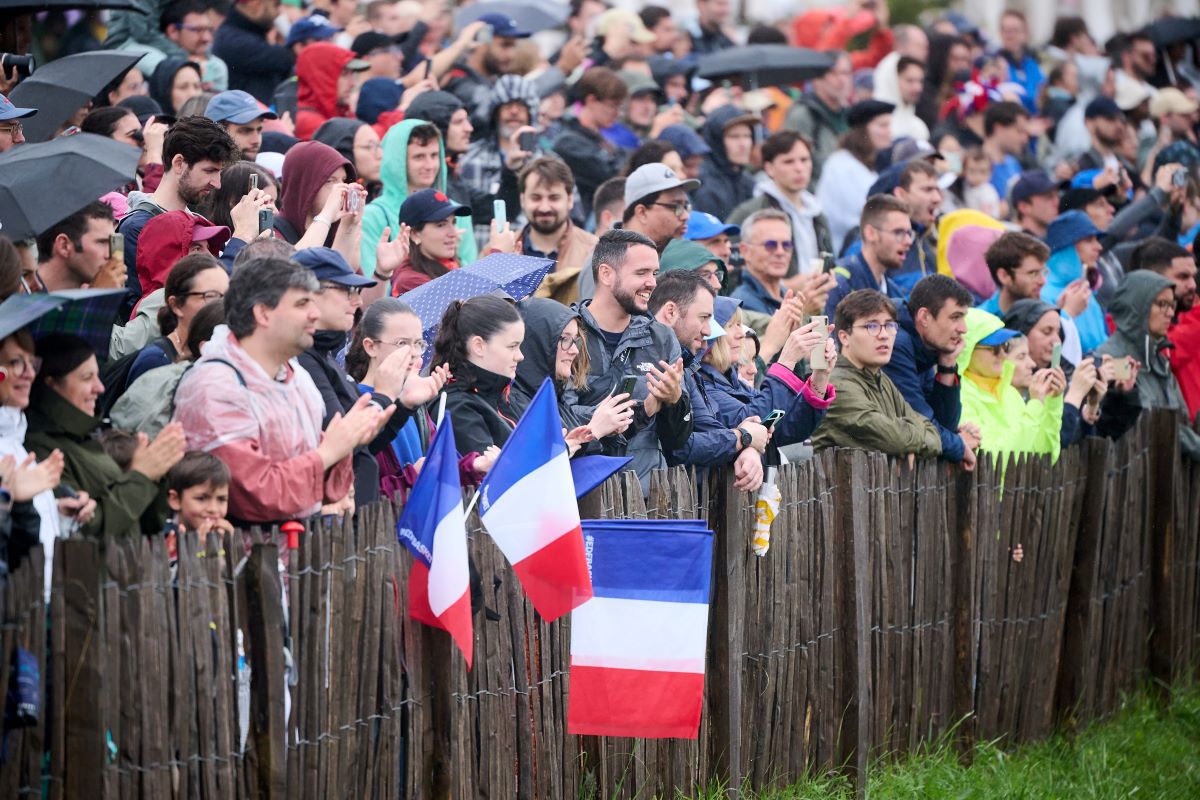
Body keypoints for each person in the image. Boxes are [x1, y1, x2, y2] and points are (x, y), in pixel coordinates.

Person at [172, 256, 388, 524]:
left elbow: (331, 492)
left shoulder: (296, 377)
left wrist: (347, 442)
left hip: (302, 554)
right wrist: (330, 451)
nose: (315, 313)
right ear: (263, 312)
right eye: (301, 303)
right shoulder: (215, 386)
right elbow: (255, 495)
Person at [294, 247, 439, 504]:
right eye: (347, 291)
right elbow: (346, 443)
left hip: (365, 523)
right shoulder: (302, 360)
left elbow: (365, 446)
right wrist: (384, 397)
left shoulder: (323, 357)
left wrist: (403, 405)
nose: (357, 301)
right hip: (340, 524)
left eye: (419, 344)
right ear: (307, 295)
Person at [25, 334, 184, 538]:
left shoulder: (88, 437)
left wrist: (156, 473)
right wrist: (141, 476)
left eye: (97, 376)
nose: (99, 388)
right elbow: (84, 528)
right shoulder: (40, 448)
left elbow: (150, 523)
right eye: (86, 378)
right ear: (52, 384)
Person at [568, 229, 691, 488]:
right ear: (606, 274)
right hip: (585, 491)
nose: (652, 283)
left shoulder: (661, 337)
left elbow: (678, 441)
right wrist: (640, 410)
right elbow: (562, 416)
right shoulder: (568, 332)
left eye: (654, 273)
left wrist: (675, 401)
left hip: (648, 495)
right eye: (641, 273)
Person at [648, 271, 764, 491]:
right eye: (703, 318)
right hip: (647, 497)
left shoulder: (686, 367)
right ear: (671, 311)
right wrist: (743, 438)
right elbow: (681, 447)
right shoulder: (655, 363)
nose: (709, 331)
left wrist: (746, 442)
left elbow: (714, 430)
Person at [0, 330, 88, 595]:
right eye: (16, 362)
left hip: (39, 602)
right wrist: (9, 498)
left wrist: (57, 511)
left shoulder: (15, 437)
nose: (28, 373)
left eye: (32, 363)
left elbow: (25, 536)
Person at [119, 116, 241, 298]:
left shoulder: (199, 220)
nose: (217, 184)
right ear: (179, 163)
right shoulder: (136, 228)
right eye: (209, 171)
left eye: (219, 172)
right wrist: (242, 237)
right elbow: (145, 311)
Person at [812, 289, 942, 457]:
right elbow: (894, 440)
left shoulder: (880, 377)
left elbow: (934, 435)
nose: (884, 335)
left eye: (889, 325)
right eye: (871, 326)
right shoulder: (835, 384)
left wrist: (908, 444)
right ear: (844, 337)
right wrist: (909, 444)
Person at [697, 294, 835, 447]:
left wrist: (821, 376)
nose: (741, 334)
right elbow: (754, 423)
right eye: (731, 326)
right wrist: (786, 361)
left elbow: (791, 428)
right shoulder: (702, 385)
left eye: (740, 324)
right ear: (709, 333)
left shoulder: (734, 382)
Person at [1095, 271, 1200, 461]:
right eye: (1162, 304)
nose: (1170, 313)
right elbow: (1145, 422)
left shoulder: (1159, 359)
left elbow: (1180, 418)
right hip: (1128, 478)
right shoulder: (1114, 359)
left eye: (1172, 305)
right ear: (1137, 306)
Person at [512, 297, 636, 449]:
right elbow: (541, 464)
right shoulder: (513, 402)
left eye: (575, 340)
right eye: (564, 339)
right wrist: (595, 430)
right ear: (538, 342)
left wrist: (606, 428)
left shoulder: (554, 399)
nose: (574, 350)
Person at [361, 120, 478, 277]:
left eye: (434, 155)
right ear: (397, 162)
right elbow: (371, 281)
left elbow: (471, 271)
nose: (429, 165)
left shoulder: (456, 210)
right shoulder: (372, 216)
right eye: (419, 157)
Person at [883, 275, 978, 468]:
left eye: (963, 318)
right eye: (955, 317)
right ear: (924, 317)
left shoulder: (924, 346)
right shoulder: (896, 343)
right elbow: (920, 423)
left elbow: (943, 424)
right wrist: (959, 445)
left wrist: (948, 364)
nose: (963, 329)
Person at [957, 308, 1064, 461]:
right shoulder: (959, 397)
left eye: (1005, 346)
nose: (1002, 354)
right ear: (968, 350)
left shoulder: (1010, 394)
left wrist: (1052, 402)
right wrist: (1034, 405)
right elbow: (994, 459)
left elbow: (1044, 457)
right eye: (994, 349)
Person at [432, 295, 525, 459]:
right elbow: (491, 475)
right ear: (479, 346)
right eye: (512, 346)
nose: (520, 356)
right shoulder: (456, 407)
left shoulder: (497, 392)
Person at [728, 130, 833, 275]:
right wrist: (787, 286)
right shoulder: (749, 213)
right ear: (769, 168)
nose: (799, 168)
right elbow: (733, 270)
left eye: (804, 160)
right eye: (788, 161)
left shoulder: (817, 213)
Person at [457, 76, 543, 245]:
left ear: (530, 113)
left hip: (531, 254)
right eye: (507, 106)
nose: (514, 112)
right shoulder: (469, 158)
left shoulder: (547, 163)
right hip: (480, 254)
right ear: (495, 113)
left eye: (520, 106)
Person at [127, 253, 229, 386]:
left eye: (227, 297)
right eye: (211, 296)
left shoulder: (220, 353)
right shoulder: (155, 362)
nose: (222, 305)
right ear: (176, 305)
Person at [1133, 238, 1200, 420]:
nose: (1193, 285)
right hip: (1161, 439)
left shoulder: (1187, 319)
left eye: (1194, 276)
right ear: (1152, 278)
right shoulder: (1125, 326)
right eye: (1183, 277)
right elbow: (1169, 354)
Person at [816, 99, 894, 251]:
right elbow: (860, 215)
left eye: (889, 125)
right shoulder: (841, 165)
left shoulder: (867, 165)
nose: (889, 132)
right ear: (863, 130)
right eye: (883, 125)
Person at [552, 67, 629, 220]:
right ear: (591, 100)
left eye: (620, 106)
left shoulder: (600, 139)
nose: (617, 113)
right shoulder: (568, 141)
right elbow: (611, 176)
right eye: (612, 105)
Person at [517, 158, 597, 305]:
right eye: (536, 198)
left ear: (570, 200)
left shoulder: (594, 251)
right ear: (523, 200)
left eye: (554, 198)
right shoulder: (502, 251)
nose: (545, 207)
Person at [825, 195, 912, 318]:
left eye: (909, 233)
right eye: (899, 232)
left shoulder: (894, 292)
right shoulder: (839, 283)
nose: (908, 241)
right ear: (870, 233)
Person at [273, 140, 363, 254]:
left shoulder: (333, 227)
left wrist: (349, 224)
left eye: (344, 180)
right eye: (330, 181)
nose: (341, 188)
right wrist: (326, 215)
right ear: (304, 185)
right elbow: (294, 264)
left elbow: (346, 269)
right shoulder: (273, 232)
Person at [1042, 210, 1109, 355]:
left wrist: (1122, 370)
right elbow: (1053, 356)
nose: (1099, 247)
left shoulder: (1085, 292)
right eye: (1089, 240)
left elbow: (1103, 349)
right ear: (1067, 247)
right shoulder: (1043, 294)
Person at [388, 189, 472, 295]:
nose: (453, 233)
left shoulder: (450, 264)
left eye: (453, 222)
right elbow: (462, 308)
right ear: (414, 234)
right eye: (441, 225)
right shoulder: (410, 282)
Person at [783, 53, 852, 182]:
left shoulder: (851, 115)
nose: (842, 80)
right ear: (817, 79)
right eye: (833, 73)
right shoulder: (803, 115)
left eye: (846, 73)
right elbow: (789, 165)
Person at [213, 0, 296, 103]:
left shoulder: (250, 34)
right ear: (255, 4)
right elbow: (287, 57)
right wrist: (295, 41)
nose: (279, 12)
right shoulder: (232, 40)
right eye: (276, 5)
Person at [32, 202, 120, 293]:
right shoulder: (23, 301)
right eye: (102, 242)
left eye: (111, 243)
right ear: (64, 246)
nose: (111, 255)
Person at [691, 106, 758, 221]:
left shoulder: (748, 181)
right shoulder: (705, 186)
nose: (743, 144)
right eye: (734, 136)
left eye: (747, 136)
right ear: (716, 141)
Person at [293, 42, 369, 141]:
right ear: (321, 77)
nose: (353, 83)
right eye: (344, 74)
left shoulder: (338, 111)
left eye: (352, 74)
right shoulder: (308, 121)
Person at [621, 163, 700, 253]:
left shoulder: (680, 256)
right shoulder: (608, 262)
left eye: (686, 207)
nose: (686, 216)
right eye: (675, 207)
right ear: (642, 212)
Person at [730, 209, 796, 315]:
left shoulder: (789, 296)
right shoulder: (741, 304)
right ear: (745, 251)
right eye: (770, 245)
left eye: (786, 245)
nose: (780, 252)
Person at [162, 0, 229, 91]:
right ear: (173, 31)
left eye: (209, 30)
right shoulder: (153, 60)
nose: (206, 38)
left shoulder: (215, 65)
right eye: (197, 30)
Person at [980, 231, 1050, 316]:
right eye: (1033, 273)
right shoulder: (979, 321)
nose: (1042, 281)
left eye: (1044, 272)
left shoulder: (1049, 313)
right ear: (1004, 276)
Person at [165, 451, 233, 537]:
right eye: (201, 498)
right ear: (176, 500)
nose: (213, 509)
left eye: (221, 499)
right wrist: (200, 548)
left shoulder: (222, 534)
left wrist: (231, 545)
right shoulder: (165, 537)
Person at [203, 90, 277, 160]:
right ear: (216, 133)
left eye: (259, 130)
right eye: (245, 131)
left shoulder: (260, 171)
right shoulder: (195, 172)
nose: (256, 141)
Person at [980, 101, 1030, 199]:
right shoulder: (974, 166)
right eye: (1019, 131)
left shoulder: (1013, 163)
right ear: (998, 128)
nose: (1025, 139)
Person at [1010, 170, 1060, 239]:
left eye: (1057, 195)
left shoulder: (1061, 237)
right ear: (1024, 207)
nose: (1057, 202)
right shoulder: (1015, 247)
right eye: (1048, 197)